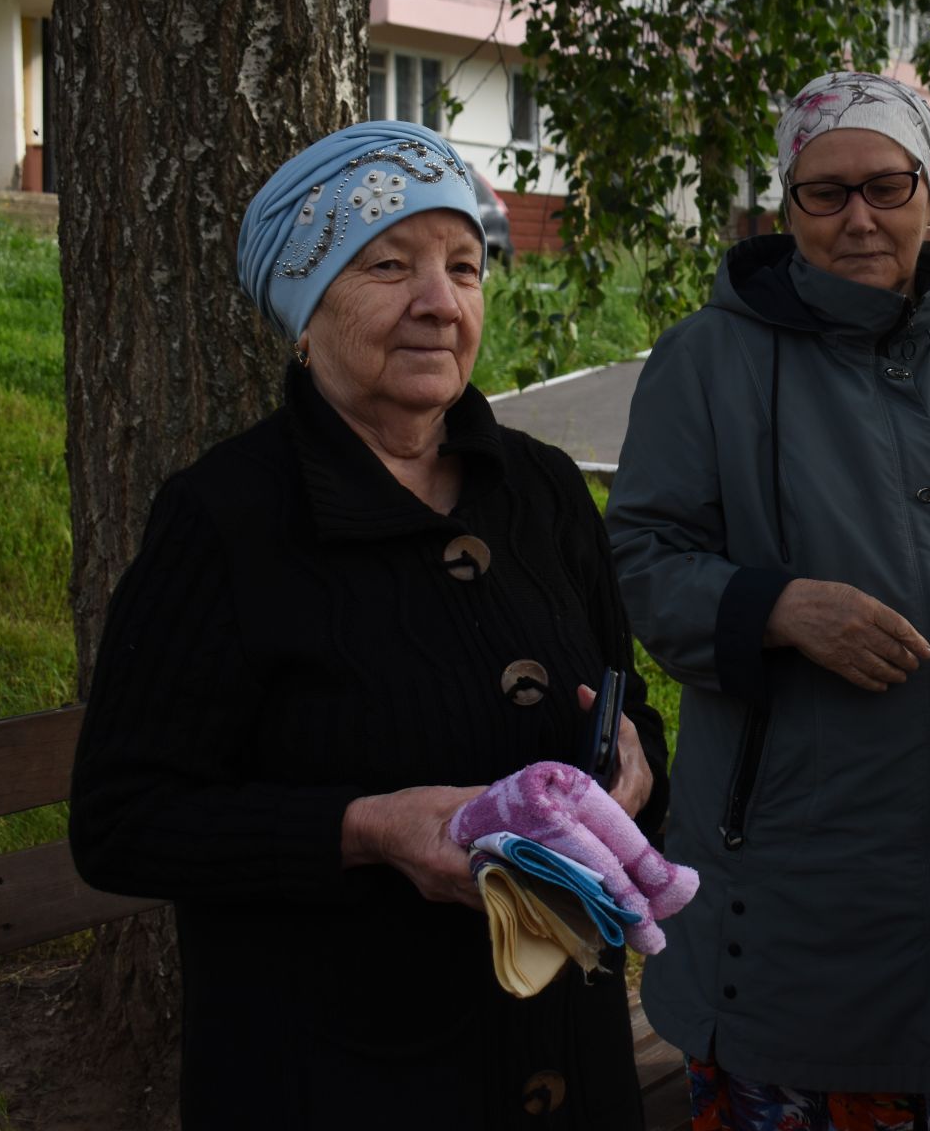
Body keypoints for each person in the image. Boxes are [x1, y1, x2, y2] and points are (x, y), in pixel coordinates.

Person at [69, 120, 668, 1129]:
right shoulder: (225, 519)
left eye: (466, 265)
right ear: (304, 311)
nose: (440, 301)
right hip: (340, 1074)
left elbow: (626, 701)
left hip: (568, 1052)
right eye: (390, 263)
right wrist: (364, 830)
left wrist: (635, 771)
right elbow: (122, 820)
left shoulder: (545, 490)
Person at [606, 71, 930, 1128]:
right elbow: (642, 558)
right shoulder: (709, 359)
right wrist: (776, 607)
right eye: (825, 193)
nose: (859, 217)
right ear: (786, 208)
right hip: (792, 882)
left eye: (886, 185)